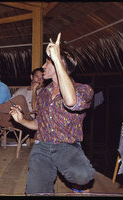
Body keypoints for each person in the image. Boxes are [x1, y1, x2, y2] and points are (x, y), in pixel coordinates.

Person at [9, 33, 95, 194]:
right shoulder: (43, 94)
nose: (42, 66)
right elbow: (39, 124)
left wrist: (56, 59)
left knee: (83, 175)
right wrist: (21, 121)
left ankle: (65, 170)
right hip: (42, 146)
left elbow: (71, 102)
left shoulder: (83, 89)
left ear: (59, 64)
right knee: (35, 192)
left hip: (67, 145)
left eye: (47, 62)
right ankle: (46, 173)